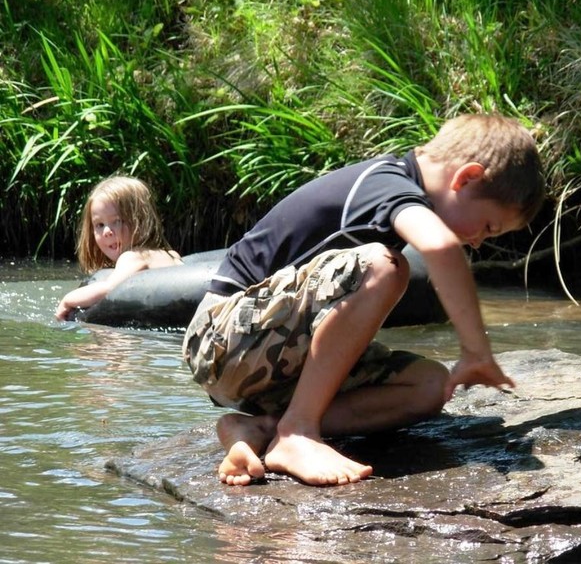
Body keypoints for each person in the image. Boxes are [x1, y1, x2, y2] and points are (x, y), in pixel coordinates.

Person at [182, 114, 546, 487]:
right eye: (488, 227)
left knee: (432, 386)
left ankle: (260, 428)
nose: (478, 242)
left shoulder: (396, 188)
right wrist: (476, 351)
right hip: (222, 339)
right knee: (386, 267)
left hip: (266, 357)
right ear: (466, 178)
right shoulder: (386, 183)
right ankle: (297, 432)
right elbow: (439, 246)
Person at [55, 175, 183, 321]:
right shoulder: (171, 254)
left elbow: (111, 290)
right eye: (100, 225)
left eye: (117, 221)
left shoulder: (132, 257)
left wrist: (67, 299)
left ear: (141, 221)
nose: (107, 231)